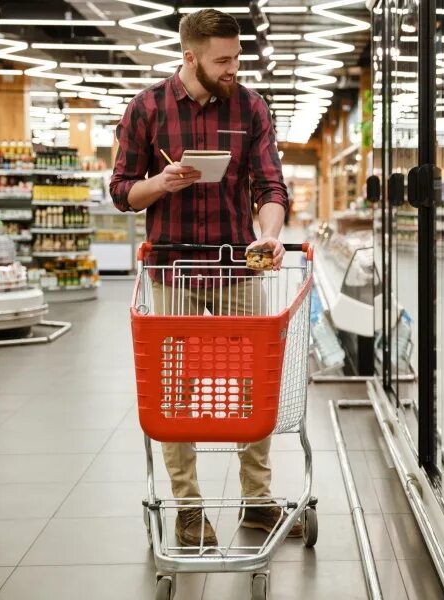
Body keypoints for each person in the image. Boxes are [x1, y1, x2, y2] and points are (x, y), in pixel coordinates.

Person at [110, 8, 299, 546]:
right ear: (189, 57)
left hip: (238, 266)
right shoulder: (147, 108)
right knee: (177, 391)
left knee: (252, 384)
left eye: (237, 57)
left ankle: (258, 501)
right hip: (170, 268)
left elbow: (270, 187)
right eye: (222, 60)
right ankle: (189, 509)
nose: (233, 68)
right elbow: (122, 191)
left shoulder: (251, 106)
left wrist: (269, 233)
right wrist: (161, 183)